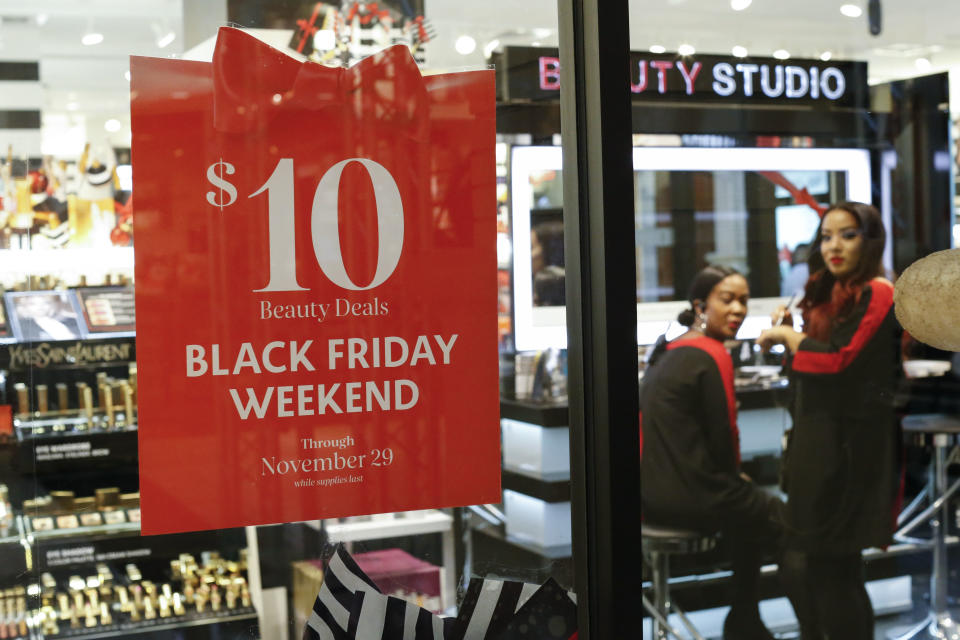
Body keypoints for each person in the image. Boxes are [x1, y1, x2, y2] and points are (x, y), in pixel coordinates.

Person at [757, 201, 900, 640]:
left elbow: (840, 361)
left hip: (850, 450)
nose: (834, 245)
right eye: (826, 236)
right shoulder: (823, 296)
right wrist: (791, 339)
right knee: (807, 565)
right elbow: (810, 368)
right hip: (814, 444)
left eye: (848, 234)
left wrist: (788, 336)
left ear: (870, 239)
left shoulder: (879, 292)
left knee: (833, 570)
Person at [641, 264, 785, 640]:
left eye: (743, 301)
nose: (738, 309)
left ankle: (745, 621)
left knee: (749, 518)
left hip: (651, 496)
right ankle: (747, 621)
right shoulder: (711, 352)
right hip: (694, 494)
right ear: (700, 305)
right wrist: (736, 476)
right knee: (789, 521)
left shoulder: (670, 349)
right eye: (727, 300)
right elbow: (726, 438)